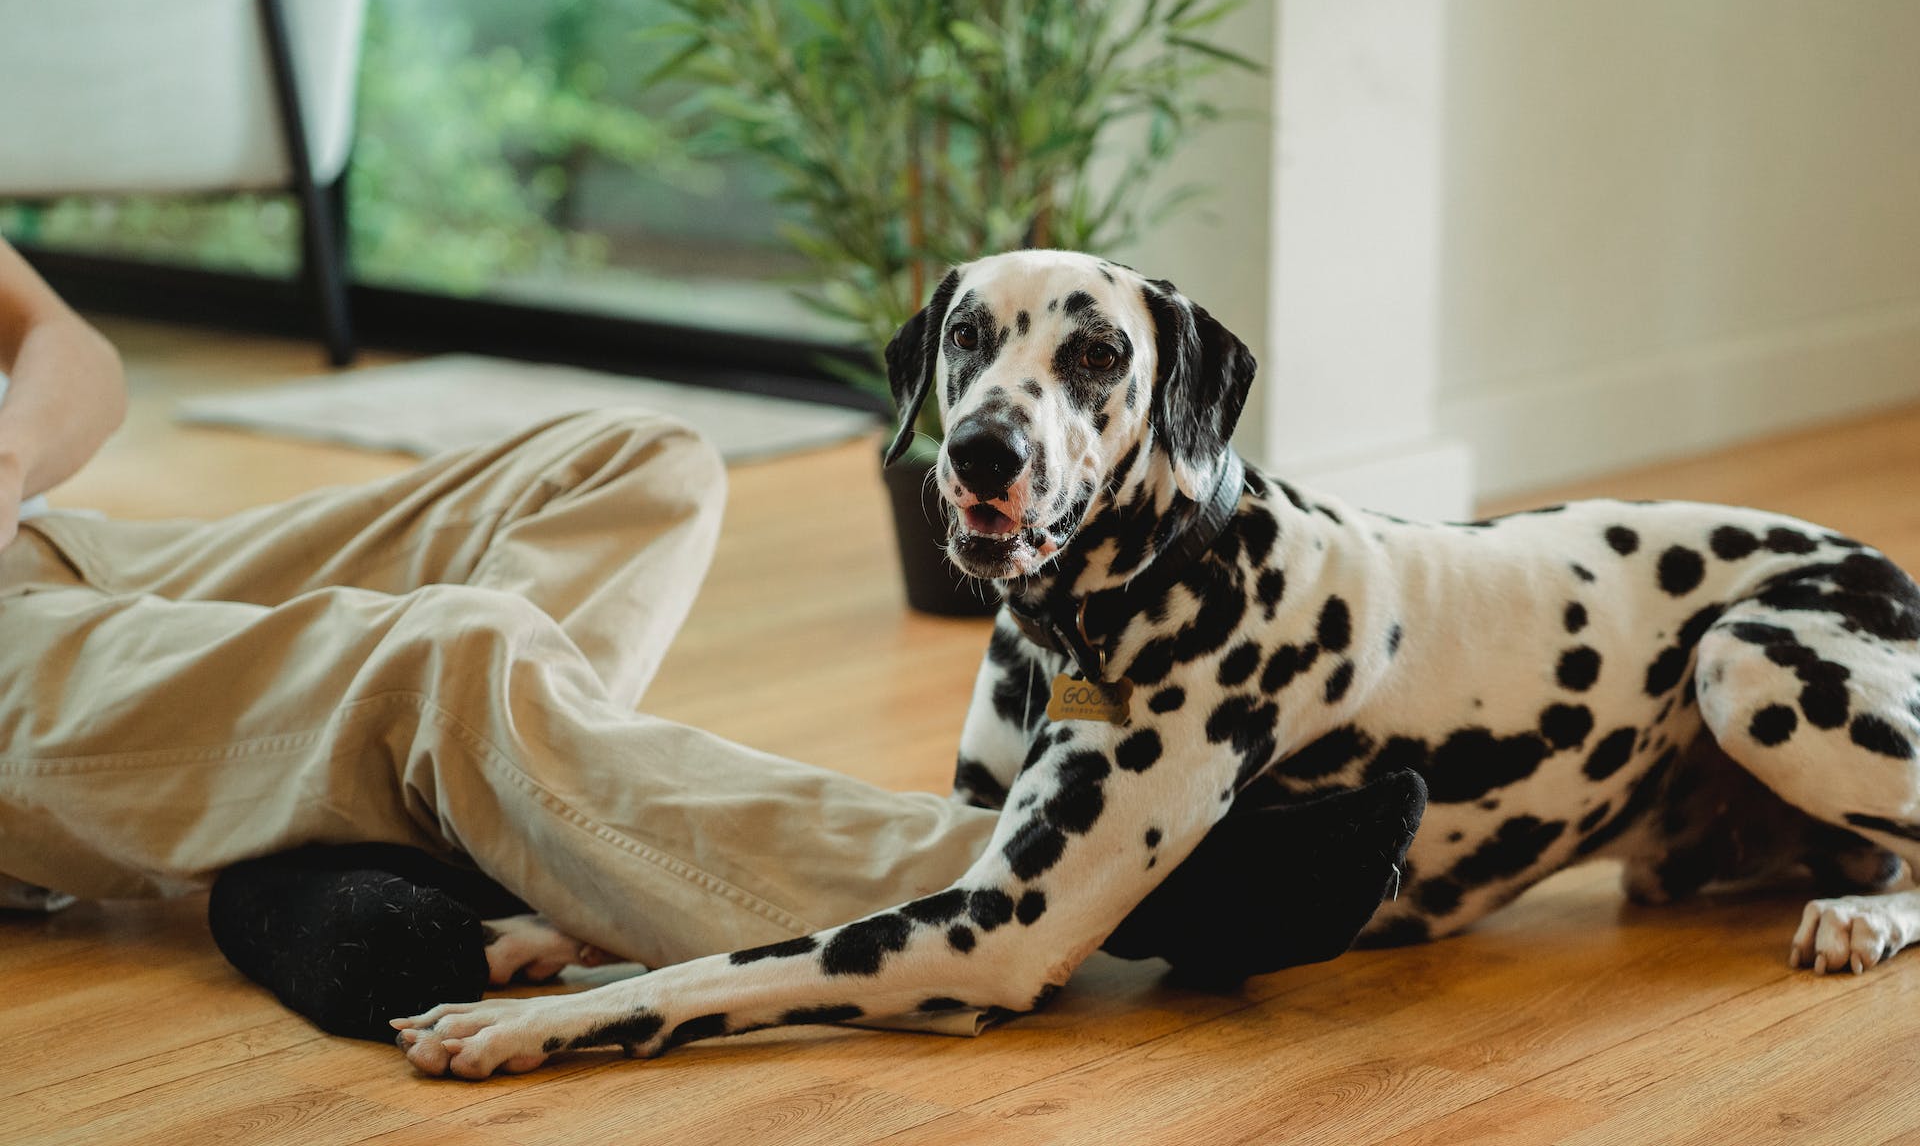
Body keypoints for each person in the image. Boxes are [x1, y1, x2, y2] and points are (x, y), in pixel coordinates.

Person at [0, 237, 1418, 1042]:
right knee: (455, 653)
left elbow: (72, 349)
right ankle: (1089, 886)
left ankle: (357, 840)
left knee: (644, 460)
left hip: (53, 551)